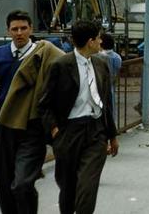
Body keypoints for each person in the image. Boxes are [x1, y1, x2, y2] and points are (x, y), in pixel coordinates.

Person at [0, 10, 63, 214]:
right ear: (8, 31)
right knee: (4, 184)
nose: (19, 33)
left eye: (24, 28)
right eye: (15, 29)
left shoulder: (45, 54)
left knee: (22, 183)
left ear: (31, 29)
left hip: (33, 128)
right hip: (4, 125)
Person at [38, 21, 118, 214]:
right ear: (90, 42)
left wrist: (112, 136)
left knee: (87, 185)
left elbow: (106, 102)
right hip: (69, 133)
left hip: (96, 131)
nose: (101, 41)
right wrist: (55, 131)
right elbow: (44, 103)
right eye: (98, 38)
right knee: (68, 187)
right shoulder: (61, 65)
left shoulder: (101, 64)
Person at [97, 32, 122, 122]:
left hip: (99, 85)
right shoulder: (117, 57)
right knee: (111, 107)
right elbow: (117, 73)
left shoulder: (98, 56)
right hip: (111, 85)